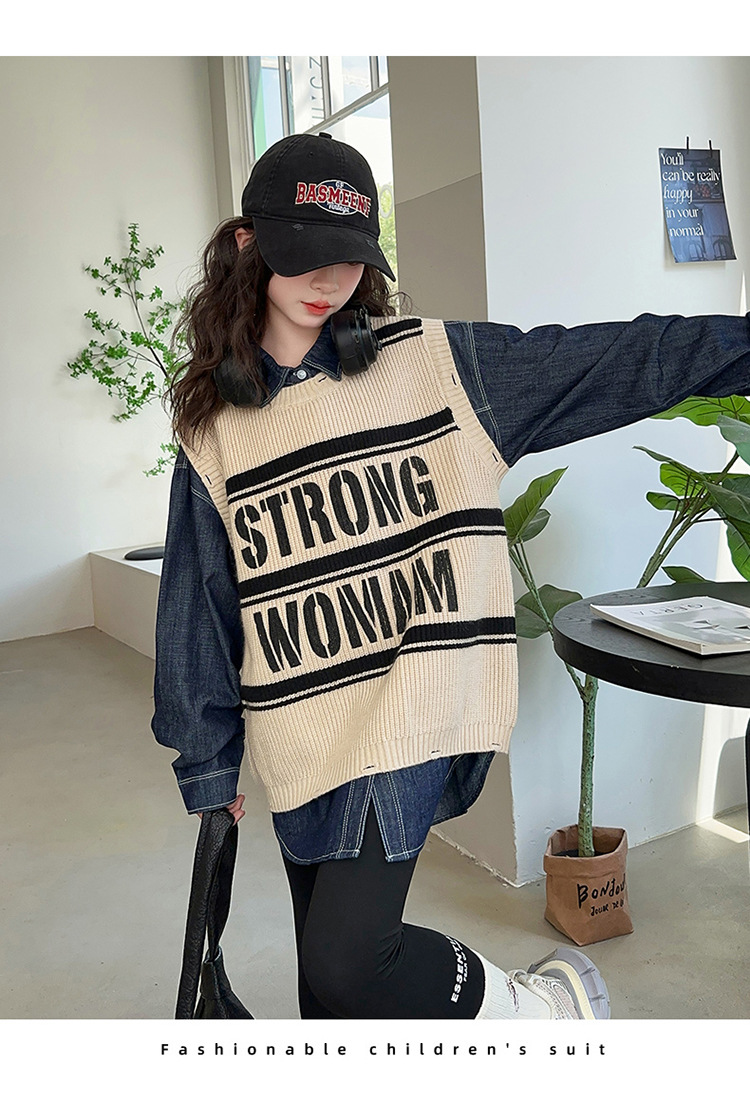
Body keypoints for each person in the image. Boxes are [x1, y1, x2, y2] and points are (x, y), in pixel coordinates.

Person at [152, 132, 750, 1021]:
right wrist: (208, 762)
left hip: (412, 696)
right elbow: (200, 605)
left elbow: (622, 359)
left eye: (350, 258)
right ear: (249, 243)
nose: (331, 280)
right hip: (299, 724)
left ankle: (542, 1009)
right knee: (328, 994)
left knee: (351, 962)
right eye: (306, 253)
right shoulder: (212, 428)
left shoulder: (436, 366)